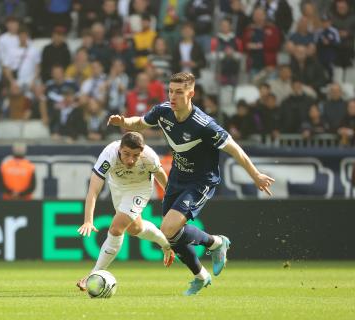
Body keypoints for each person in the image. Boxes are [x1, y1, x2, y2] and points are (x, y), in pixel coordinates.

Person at [107, 72, 275, 295]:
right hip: (177, 177)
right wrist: (124, 122)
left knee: (168, 227)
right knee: (171, 234)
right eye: (170, 91)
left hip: (200, 181)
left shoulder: (204, 125)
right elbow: (140, 123)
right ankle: (200, 275)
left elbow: (234, 149)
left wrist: (256, 175)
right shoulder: (163, 111)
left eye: (179, 92)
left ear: (191, 94)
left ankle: (216, 243)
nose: (173, 96)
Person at [76, 132, 175, 291]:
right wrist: (88, 220)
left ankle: (93, 274)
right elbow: (93, 191)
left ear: (141, 152)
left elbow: (164, 181)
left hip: (140, 189)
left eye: (136, 155)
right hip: (117, 187)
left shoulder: (149, 157)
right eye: (126, 154)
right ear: (119, 148)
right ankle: (166, 245)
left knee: (116, 228)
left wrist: (172, 203)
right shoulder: (108, 155)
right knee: (135, 228)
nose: (130, 160)